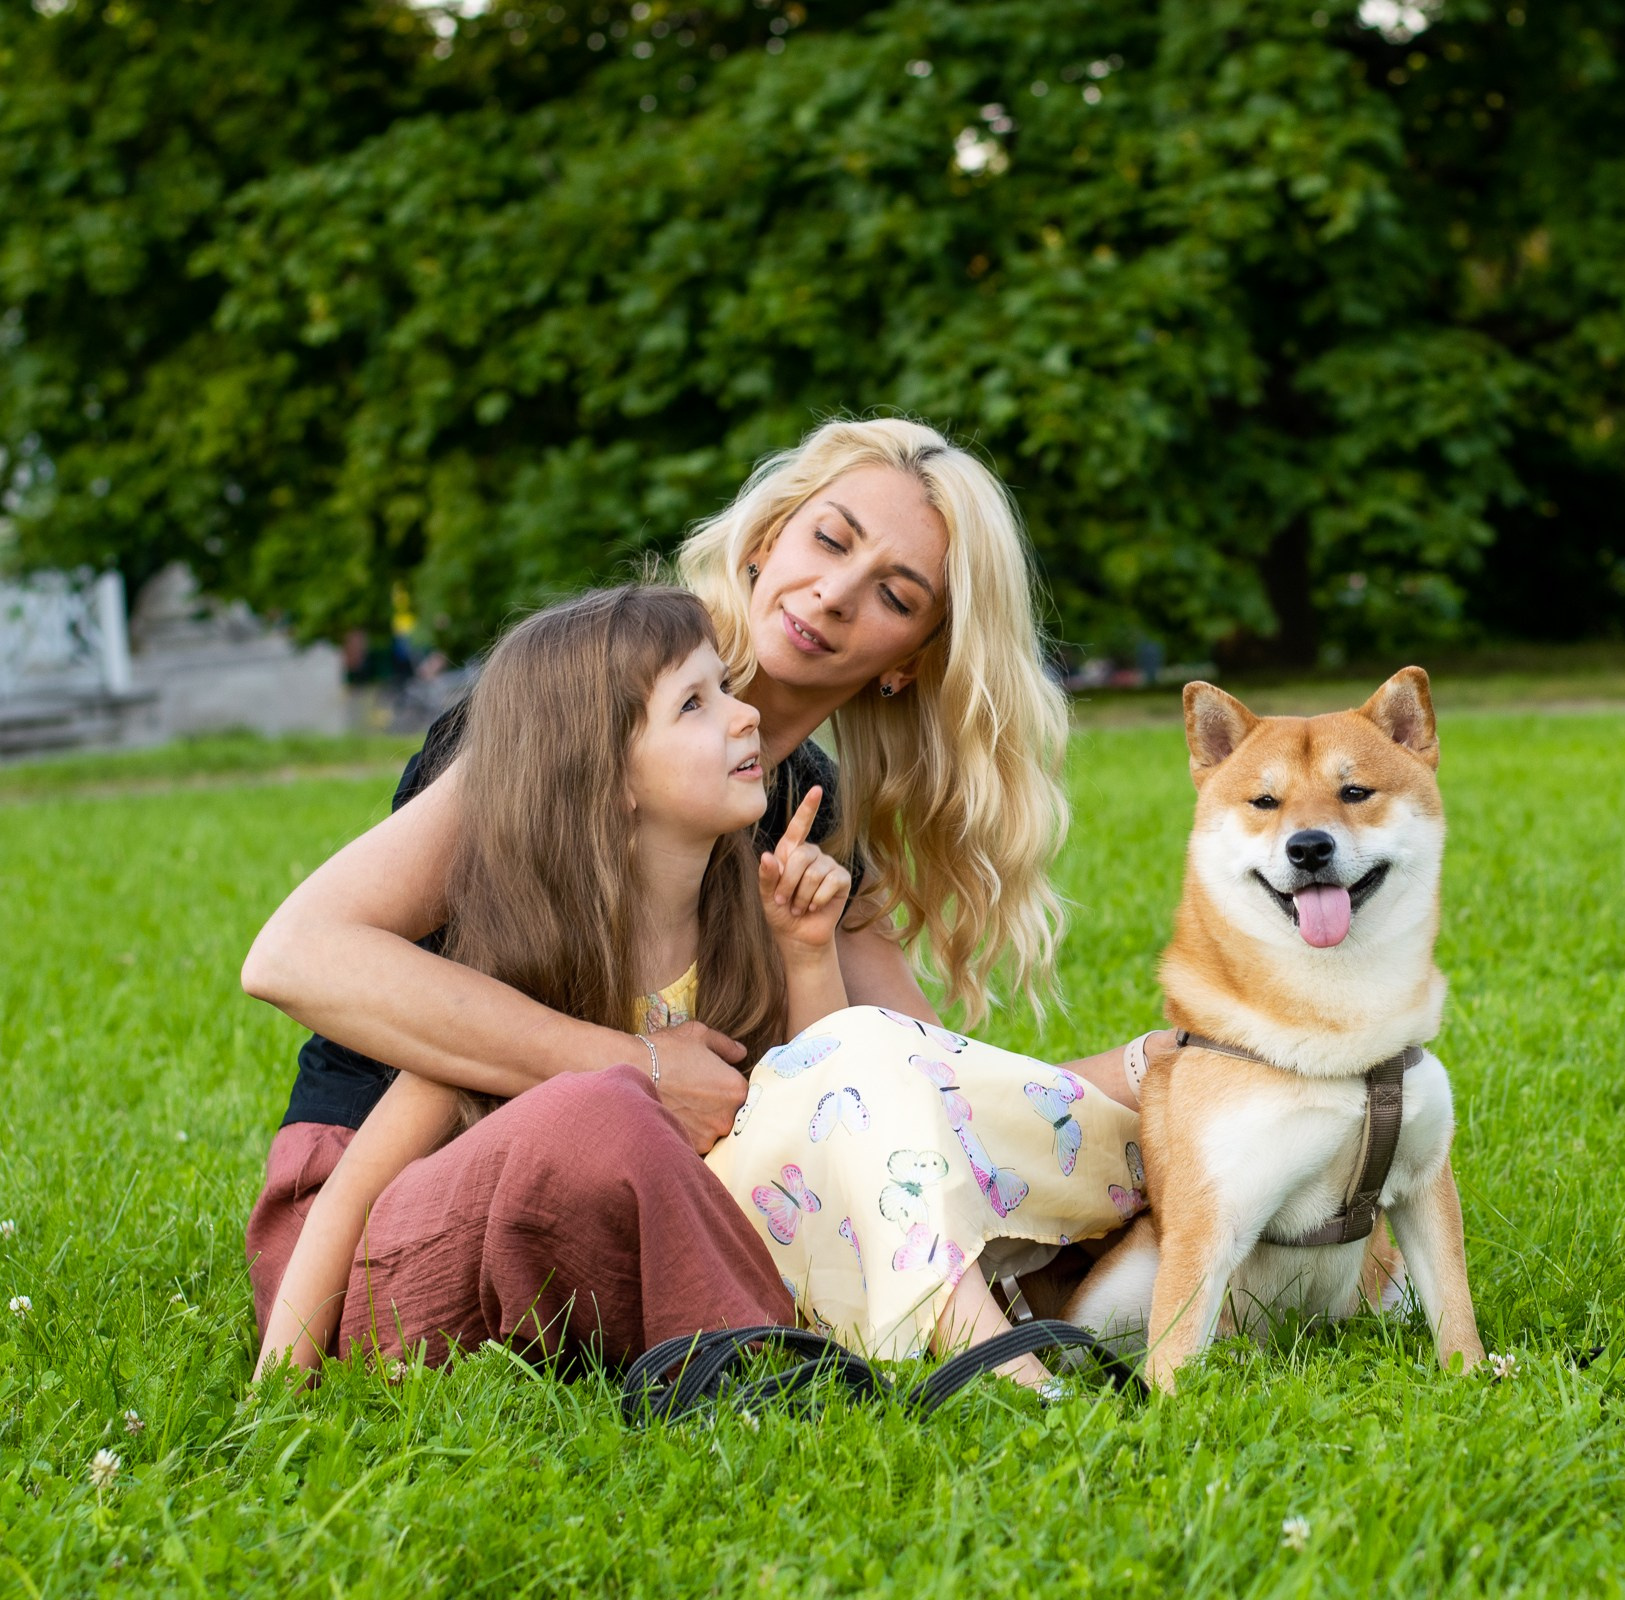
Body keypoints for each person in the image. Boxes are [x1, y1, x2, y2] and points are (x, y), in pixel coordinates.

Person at [242, 418, 1171, 1369]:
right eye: (829, 540)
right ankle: (919, 1344)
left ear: (913, 659)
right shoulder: (575, 717)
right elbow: (296, 954)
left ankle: (1101, 1289)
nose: (834, 594)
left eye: (894, 595)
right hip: (387, 1198)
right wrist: (639, 1069)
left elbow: (923, 1088)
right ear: (768, 539)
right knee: (607, 1122)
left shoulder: (807, 820)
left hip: (633, 1219)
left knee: (972, 1134)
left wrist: (1160, 1070)